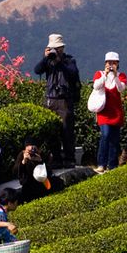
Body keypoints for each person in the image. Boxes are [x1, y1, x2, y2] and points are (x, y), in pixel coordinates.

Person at [34, 34, 80, 167]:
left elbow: (73, 73)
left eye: (57, 48)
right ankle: (56, 159)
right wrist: (45, 58)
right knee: (52, 131)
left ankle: (69, 159)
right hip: (50, 99)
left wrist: (60, 61)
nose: (55, 51)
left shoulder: (69, 60)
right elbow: (37, 70)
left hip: (64, 100)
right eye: (52, 48)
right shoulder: (48, 61)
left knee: (67, 130)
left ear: (62, 48)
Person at [92, 52, 127, 173]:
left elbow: (121, 88)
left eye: (114, 62)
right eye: (108, 62)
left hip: (116, 112)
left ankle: (112, 165)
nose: (111, 65)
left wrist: (115, 75)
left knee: (114, 139)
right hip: (104, 112)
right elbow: (96, 86)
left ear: (118, 64)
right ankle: (101, 163)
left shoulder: (122, 76)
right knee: (105, 135)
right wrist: (105, 75)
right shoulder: (99, 74)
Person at [15, 137, 58, 202]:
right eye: (29, 149)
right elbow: (15, 172)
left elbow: (49, 172)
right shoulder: (22, 155)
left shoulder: (40, 154)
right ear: (25, 149)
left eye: (34, 147)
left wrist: (40, 161)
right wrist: (23, 162)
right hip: (28, 186)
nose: (32, 151)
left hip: (41, 185)